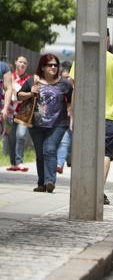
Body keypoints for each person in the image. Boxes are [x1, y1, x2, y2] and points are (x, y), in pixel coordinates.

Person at [69, 30, 113, 204]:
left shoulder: (80, 60)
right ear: (108, 38)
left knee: (84, 152)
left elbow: (75, 89)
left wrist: (73, 115)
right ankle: (98, 191)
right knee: (105, 154)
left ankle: (82, 190)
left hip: (85, 115)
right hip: (109, 116)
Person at [16, 54, 73, 193]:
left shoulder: (64, 84)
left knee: (50, 150)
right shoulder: (33, 81)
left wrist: (71, 115)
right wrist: (30, 93)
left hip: (58, 124)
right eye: (50, 65)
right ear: (43, 67)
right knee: (40, 154)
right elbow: (19, 96)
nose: (53, 67)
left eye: (55, 65)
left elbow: (71, 100)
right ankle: (41, 183)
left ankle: (49, 182)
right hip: (36, 124)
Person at [2, 56, 32, 172]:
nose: (22, 64)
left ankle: (19, 162)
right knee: (11, 137)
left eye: (25, 62)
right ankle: (13, 163)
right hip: (10, 113)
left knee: (21, 135)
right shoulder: (10, 76)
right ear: (16, 63)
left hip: (23, 113)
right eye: (20, 62)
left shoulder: (29, 79)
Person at [56, 61, 73, 173]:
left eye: (68, 78)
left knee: (67, 143)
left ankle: (63, 161)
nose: (66, 80)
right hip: (60, 119)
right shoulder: (58, 87)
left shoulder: (75, 89)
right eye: (64, 78)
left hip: (71, 119)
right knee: (63, 142)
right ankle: (60, 163)